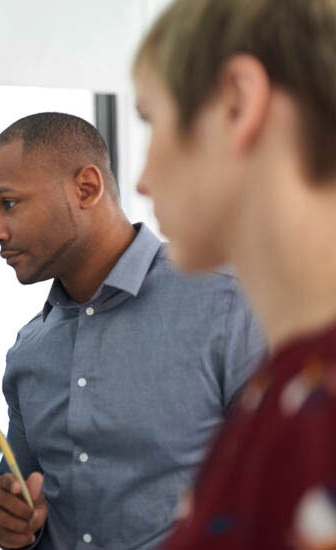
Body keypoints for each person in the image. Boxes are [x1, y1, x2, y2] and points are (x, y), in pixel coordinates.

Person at [0, 112, 266, 549]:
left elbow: (290, 490)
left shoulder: (229, 304)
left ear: (87, 187)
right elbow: (26, 500)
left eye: (9, 204)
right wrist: (16, 524)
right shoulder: (28, 351)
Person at [132, 1, 336, 549]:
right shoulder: (290, 382)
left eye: (151, 120)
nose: (143, 179)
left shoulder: (318, 410)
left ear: (236, 103)